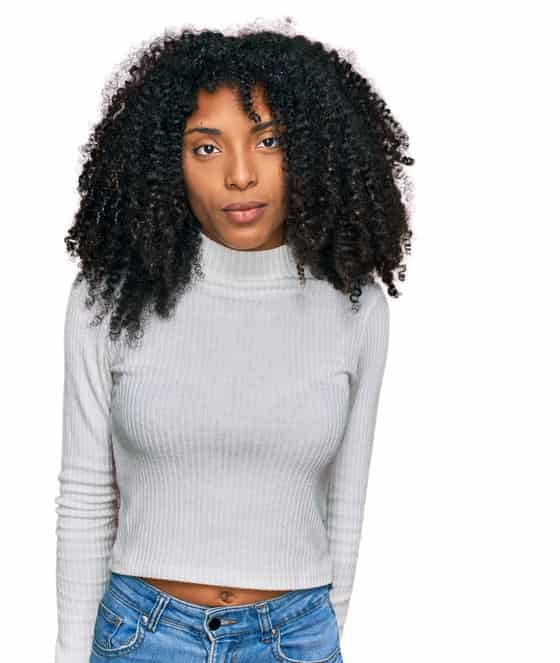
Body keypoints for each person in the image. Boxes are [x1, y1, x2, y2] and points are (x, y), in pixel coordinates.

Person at [56, 22, 414, 663]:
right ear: (168, 162)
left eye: (268, 141)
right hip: (142, 637)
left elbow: (346, 503)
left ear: (311, 150)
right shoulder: (108, 299)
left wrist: (319, 637)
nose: (241, 176)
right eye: (206, 148)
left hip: (295, 636)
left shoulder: (354, 306)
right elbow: (86, 497)